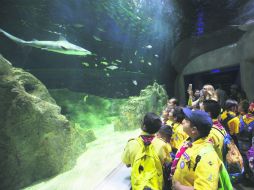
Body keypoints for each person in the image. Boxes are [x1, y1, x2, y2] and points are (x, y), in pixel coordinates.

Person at [171, 108, 222, 190]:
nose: (183, 121)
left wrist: (180, 187)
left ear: (194, 130)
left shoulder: (207, 156)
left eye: (187, 120)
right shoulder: (189, 140)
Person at [122, 112, 172, 190]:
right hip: (156, 185)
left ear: (143, 126)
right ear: (158, 128)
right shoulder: (162, 144)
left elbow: (126, 162)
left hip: (137, 185)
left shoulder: (131, 143)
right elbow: (167, 161)